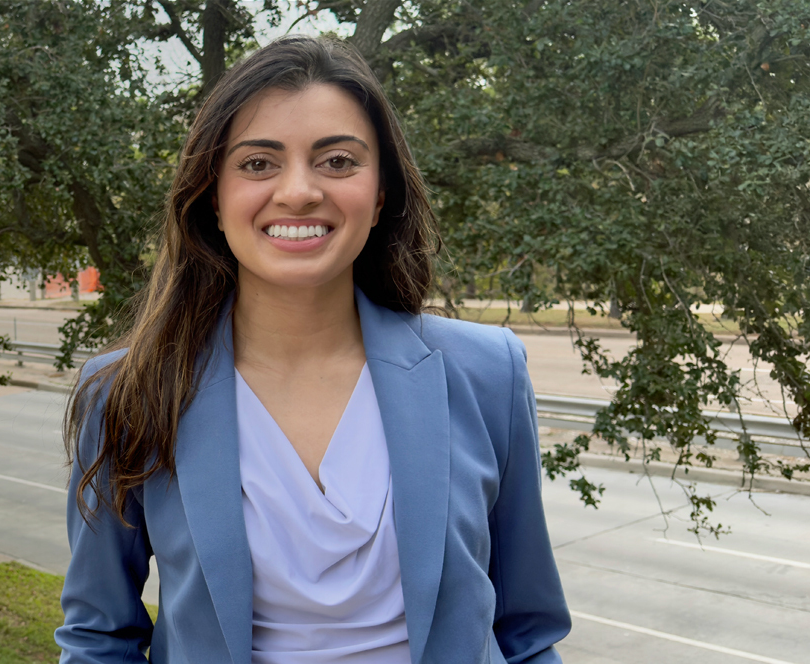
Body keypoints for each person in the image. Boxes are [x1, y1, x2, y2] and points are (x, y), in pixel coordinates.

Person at [54, 36, 570, 663]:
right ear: (212, 197)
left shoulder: (487, 372)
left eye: (338, 161)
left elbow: (529, 634)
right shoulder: (128, 393)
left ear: (380, 195)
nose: (298, 191)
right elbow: (99, 637)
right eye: (258, 164)